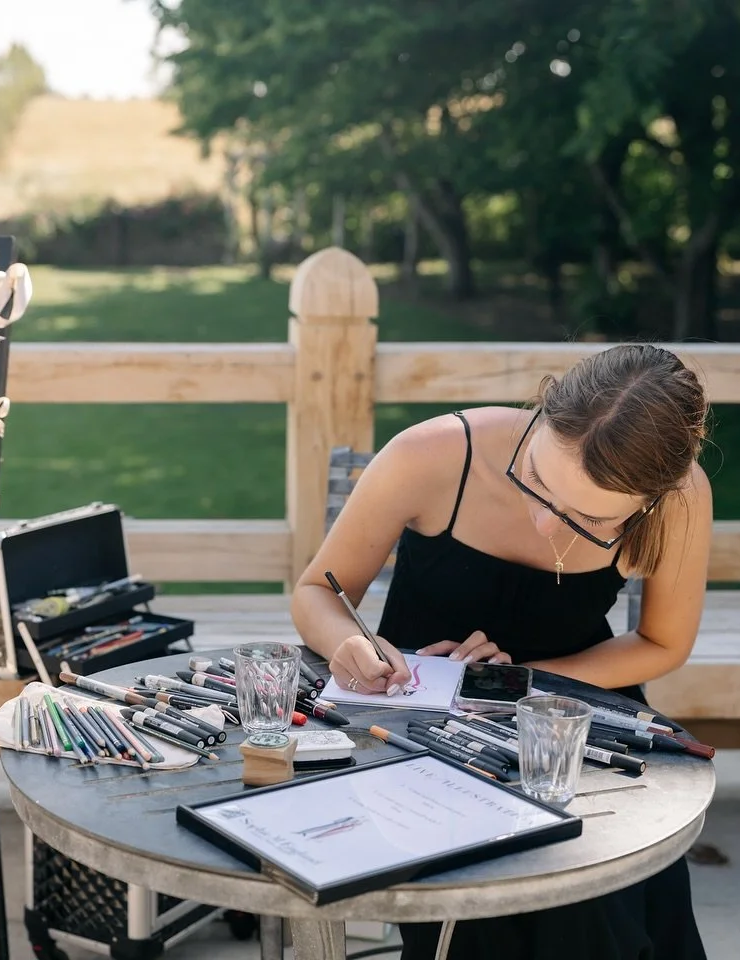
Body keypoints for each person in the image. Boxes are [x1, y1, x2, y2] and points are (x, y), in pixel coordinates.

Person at [290, 343, 713, 960]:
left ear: (650, 499)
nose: (549, 524)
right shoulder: (434, 453)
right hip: (415, 716)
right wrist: (347, 641)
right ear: (543, 413)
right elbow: (315, 594)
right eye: (537, 482)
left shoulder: (682, 496)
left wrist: (518, 681)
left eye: (586, 519)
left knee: (602, 890)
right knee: (506, 894)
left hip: (574, 714)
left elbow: (662, 643)